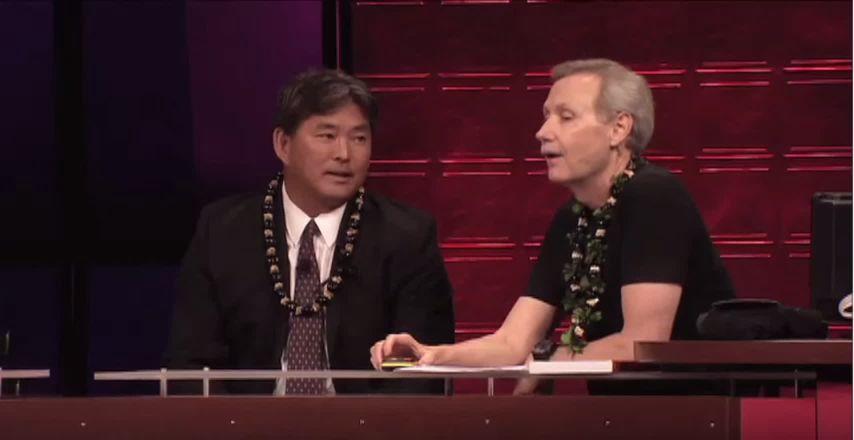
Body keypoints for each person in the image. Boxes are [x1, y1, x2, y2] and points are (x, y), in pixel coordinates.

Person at [370, 58, 735, 394]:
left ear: (618, 128)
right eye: (546, 117)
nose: (542, 132)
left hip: (698, 415)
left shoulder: (654, 196)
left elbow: (641, 342)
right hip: (620, 419)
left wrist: (548, 363)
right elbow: (512, 343)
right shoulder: (573, 218)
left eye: (566, 117)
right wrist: (430, 354)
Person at [165, 69, 455, 395]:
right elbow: (192, 364)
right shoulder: (222, 232)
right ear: (283, 144)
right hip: (247, 421)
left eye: (359, 138)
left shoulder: (407, 238)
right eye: (327, 136)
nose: (344, 154)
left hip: (366, 421)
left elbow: (420, 372)